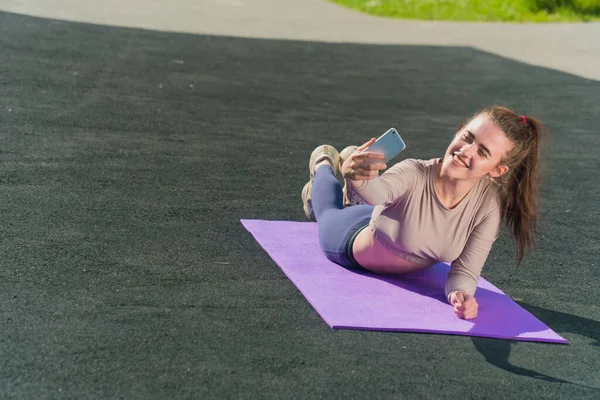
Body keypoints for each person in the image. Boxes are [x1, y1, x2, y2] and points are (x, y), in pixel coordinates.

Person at [301, 105, 548, 320]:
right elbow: (378, 194)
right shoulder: (414, 172)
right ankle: (323, 164)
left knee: (367, 201)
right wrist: (356, 176)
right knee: (326, 213)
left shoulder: (487, 207)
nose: (466, 151)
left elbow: (465, 271)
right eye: (467, 137)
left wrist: (461, 295)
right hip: (351, 239)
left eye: (483, 152)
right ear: (458, 131)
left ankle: (354, 194)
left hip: (388, 221)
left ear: (498, 170)